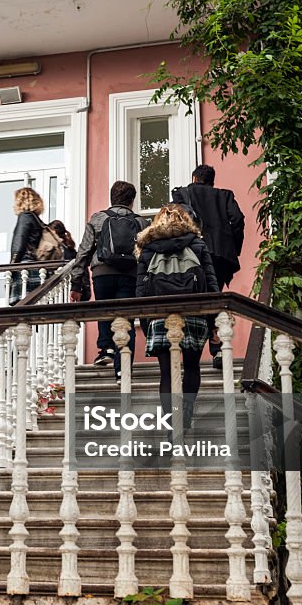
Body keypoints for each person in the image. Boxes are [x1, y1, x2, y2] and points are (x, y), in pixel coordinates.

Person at [135, 204, 220, 429]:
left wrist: (146, 322)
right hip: (194, 312)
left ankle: (171, 422)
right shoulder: (198, 244)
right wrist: (214, 322)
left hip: (160, 315)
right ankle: (187, 414)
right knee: (192, 366)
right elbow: (211, 285)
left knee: (166, 374)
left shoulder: (148, 249)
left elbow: (140, 291)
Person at [70, 181, 149, 381]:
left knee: (104, 310)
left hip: (102, 272)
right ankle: (122, 370)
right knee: (125, 319)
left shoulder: (98, 218)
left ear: (111, 198)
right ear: (132, 201)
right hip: (130, 274)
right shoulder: (141, 222)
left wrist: (77, 283)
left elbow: (84, 251)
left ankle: (106, 348)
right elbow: (148, 255)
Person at [170, 164, 244, 369]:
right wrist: (232, 246)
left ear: (194, 178)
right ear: (212, 180)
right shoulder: (225, 196)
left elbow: (173, 222)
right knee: (214, 296)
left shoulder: (182, 194)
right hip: (220, 254)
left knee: (191, 300)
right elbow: (238, 220)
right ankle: (217, 347)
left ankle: (190, 352)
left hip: (191, 254)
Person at [8, 187, 46, 304]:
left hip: (25, 268)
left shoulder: (25, 217)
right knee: (33, 308)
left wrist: (11, 268)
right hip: (36, 267)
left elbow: (19, 244)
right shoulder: (38, 220)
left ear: (20, 200)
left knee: (22, 309)